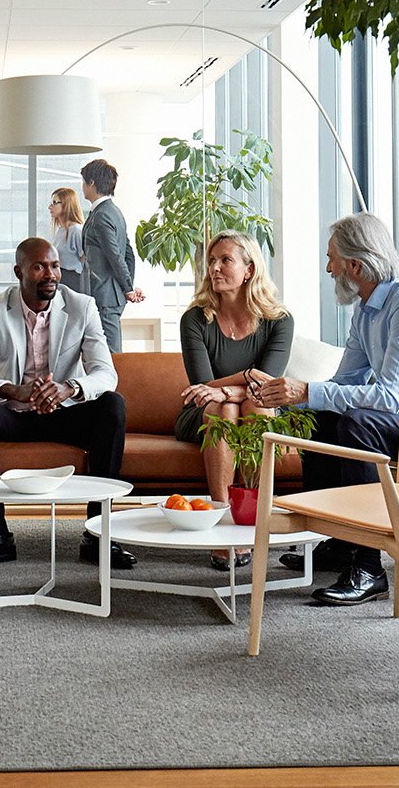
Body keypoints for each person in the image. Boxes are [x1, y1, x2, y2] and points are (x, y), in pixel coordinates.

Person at [254, 212, 399, 606]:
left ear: (355, 266)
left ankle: (369, 566)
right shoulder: (367, 307)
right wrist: (297, 398)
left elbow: (389, 398)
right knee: (320, 415)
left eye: (332, 259)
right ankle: (342, 540)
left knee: (358, 424)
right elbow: (347, 379)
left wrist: (307, 389)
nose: (328, 268)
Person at [0, 238, 136, 571]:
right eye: (39, 267)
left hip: (65, 413)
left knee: (113, 405)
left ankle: (97, 532)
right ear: (19, 271)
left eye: (54, 266)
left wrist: (69, 388)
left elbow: (106, 374)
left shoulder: (82, 306)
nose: (50, 274)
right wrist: (11, 390)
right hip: (14, 415)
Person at [175, 231, 295, 570]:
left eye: (225, 260)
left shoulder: (278, 321)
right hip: (203, 413)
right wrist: (244, 378)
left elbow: (268, 386)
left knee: (255, 406)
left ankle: (250, 521)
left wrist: (231, 389)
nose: (214, 268)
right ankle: (222, 522)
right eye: (211, 261)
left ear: (250, 269)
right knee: (223, 408)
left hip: (258, 405)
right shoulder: (195, 319)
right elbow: (201, 388)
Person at [79, 158, 144, 352]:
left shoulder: (102, 215)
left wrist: (128, 288)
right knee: (101, 352)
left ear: (91, 183)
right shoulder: (112, 211)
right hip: (109, 294)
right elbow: (128, 254)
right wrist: (128, 286)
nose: (82, 187)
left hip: (105, 295)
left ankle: (118, 384)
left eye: (83, 181)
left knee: (111, 354)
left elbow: (116, 256)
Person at [47, 186, 86, 293]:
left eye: (55, 203)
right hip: (60, 279)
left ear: (66, 204)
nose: (50, 207)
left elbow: (85, 261)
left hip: (73, 281)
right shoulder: (61, 231)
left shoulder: (76, 231)